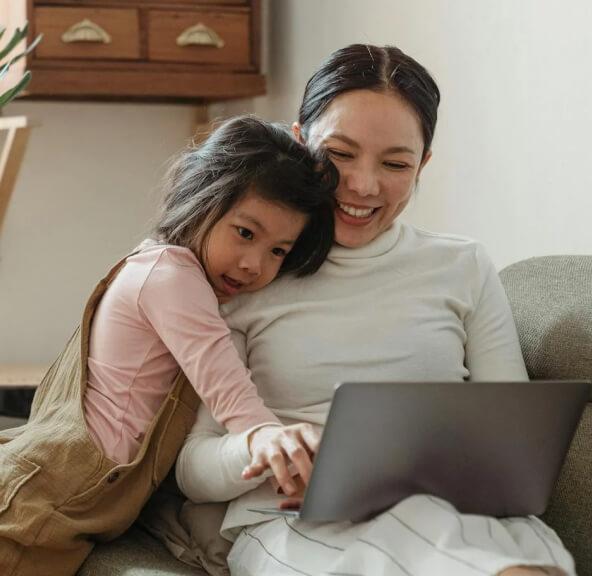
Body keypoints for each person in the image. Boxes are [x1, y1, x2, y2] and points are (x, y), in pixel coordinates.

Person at [176, 45, 575, 576]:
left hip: (458, 511)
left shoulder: (464, 265)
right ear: (299, 142)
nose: (364, 185)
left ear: (422, 165)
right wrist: (266, 446)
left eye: (395, 164)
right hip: (296, 523)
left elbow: (517, 448)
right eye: (339, 154)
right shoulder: (250, 272)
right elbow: (191, 468)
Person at [0, 116, 337, 576]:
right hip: (41, 503)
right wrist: (274, 442)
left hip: (71, 504)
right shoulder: (171, 276)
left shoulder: (163, 267)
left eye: (278, 251)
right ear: (202, 200)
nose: (253, 264)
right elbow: (227, 387)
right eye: (245, 233)